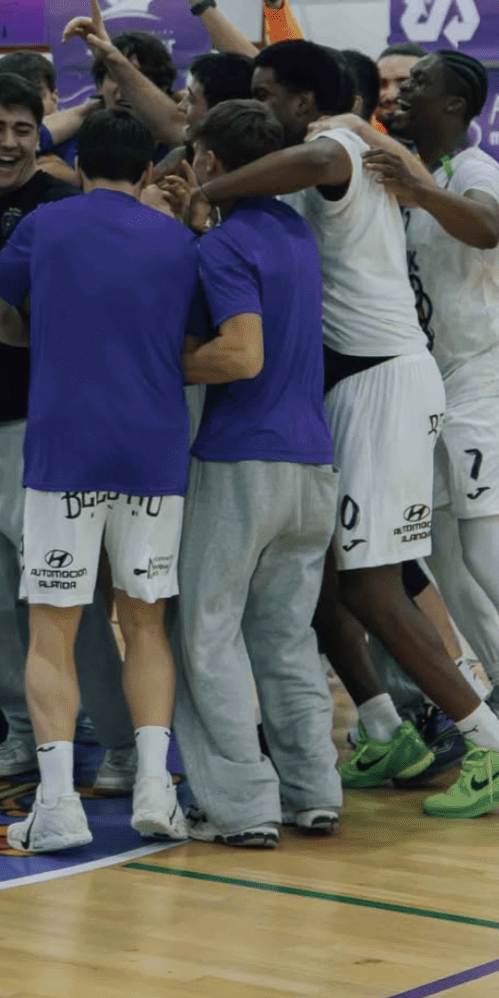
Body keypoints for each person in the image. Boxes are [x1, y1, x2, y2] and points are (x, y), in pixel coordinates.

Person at [196, 43, 499, 819]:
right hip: (357, 386)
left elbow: (302, 155)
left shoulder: (339, 142)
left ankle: (495, 740)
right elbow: (213, 133)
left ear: (303, 102)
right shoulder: (319, 156)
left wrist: (206, 190)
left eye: (267, 95)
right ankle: (386, 726)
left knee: (373, 587)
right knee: (318, 575)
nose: (260, 110)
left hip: (386, 379)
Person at [0, 107, 195, 852]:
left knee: (51, 630)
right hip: (154, 450)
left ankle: (58, 805)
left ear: (80, 167)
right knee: (145, 620)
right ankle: (155, 785)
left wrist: (39, 331)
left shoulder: (45, 227)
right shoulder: (180, 238)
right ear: (149, 172)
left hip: (64, 451)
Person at [353, 53, 499, 768]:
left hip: (492, 385)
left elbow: (487, 227)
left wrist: (419, 191)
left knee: (488, 548)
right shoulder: (414, 171)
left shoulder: (475, 170)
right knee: (444, 554)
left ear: (455, 104)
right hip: (440, 386)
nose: (401, 94)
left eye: (418, 85)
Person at [0, 75, 137, 789]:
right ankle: (22, 729)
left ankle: (122, 743)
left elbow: (79, 309)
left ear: (42, 133)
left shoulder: (62, 207)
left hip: (55, 430)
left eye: (21, 128)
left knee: (64, 600)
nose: (8, 142)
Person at [173, 99, 341, 846]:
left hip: (244, 460)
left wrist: (163, 362)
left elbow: (242, 355)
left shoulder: (224, 248)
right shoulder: (296, 231)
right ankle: (313, 789)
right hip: (312, 464)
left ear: (209, 164)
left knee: (206, 631)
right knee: (285, 637)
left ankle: (239, 804)